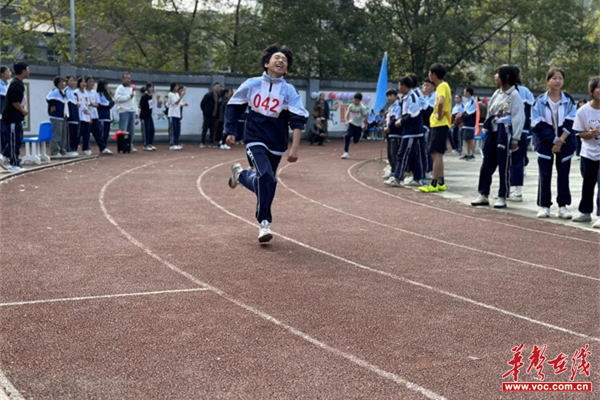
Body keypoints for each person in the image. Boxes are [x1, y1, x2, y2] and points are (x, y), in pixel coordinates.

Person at [224, 44, 308, 243]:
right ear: (266, 63)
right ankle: (264, 223)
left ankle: (241, 174)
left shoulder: (289, 91)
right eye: (277, 58)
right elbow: (233, 107)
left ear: (286, 70)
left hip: (277, 143)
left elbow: (298, 120)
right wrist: (229, 131)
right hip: (254, 138)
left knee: (267, 181)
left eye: (284, 61)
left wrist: (294, 147)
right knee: (266, 176)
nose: (280, 61)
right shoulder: (252, 84)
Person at [471, 65, 525, 208]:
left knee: (504, 165)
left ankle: (502, 195)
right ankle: (483, 194)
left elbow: (518, 118)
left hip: (505, 132)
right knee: (487, 163)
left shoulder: (514, 96)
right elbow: (490, 113)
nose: (495, 77)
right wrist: (485, 130)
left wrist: (515, 138)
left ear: (506, 77)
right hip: (493, 132)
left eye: (497, 74)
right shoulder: (497, 93)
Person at [530, 68, 577, 219]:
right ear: (547, 81)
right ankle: (544, 205)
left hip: (566, 141)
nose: (557, 81)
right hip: (545, 142)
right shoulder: (539, 101)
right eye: (554, 78)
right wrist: (554, 140)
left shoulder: (569, 100)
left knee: (563, 175)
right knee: (545, 174)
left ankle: (563, 206)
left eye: (560, 78)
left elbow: (571, 122)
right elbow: (536, 125)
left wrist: (561, 140)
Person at [384, 76, 424, 187]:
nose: (399, 88)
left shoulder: (412, 97)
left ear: (404, 86)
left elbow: (414, 115)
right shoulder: (406, 98)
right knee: (413, 155)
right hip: (408, 131)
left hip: (412, 132)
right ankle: (417, 178)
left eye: (399, 86)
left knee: (402, 154)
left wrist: (400, 122)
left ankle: (398, 177)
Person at [572, 76, 600, 228]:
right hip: (588, 153)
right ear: (591, 91)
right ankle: (585, 212)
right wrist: (590, 134)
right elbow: (579, 133)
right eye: (598, 87)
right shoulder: (583, 111)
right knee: (588, 183)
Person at [419, 63, 452, 193]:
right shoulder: (444, 86)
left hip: (439, 124)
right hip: (441, 124)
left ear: (433, 74)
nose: (429, 76)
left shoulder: (442, 86)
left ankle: (433, 183)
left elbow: (441, 101)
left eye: (429, 73)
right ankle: (441, 181)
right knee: (438, 153)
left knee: (435, 154)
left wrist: (438, 114)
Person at [508, 68, 535, 202]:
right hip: (515, 130)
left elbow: (527, 112)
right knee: (510, 161)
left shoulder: (522, 91)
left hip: (519, 131)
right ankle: (507, 188)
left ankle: (517, 191)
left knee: (517, 160)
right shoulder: (506, 91)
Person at [0, 62, 29, 173]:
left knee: (17, 139)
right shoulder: (16, 84)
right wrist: (22, 111)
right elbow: (14, 101)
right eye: (27, 69)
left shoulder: (18, 83)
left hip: (16, 117)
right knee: (13, 140)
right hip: (12, 117)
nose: (28, 71)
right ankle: (13, 164)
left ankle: (4, 157)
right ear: (23, 71)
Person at [85, 76, 110, 155]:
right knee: (86, 133)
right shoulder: (84, 92)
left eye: (93, 82)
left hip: (94, 115)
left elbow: (98, 104)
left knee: (98, 133)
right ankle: (86, 148)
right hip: (86, 116)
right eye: (90, 81)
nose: (92, 83)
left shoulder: (94, 93)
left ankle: (103, 148)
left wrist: (93, 104)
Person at [341, 93, 368, 159]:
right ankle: (346, 153)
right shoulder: (351, 106)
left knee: (355, 141)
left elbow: (365, 117)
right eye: (355, 100)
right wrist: (346, 121)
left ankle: (357, 136)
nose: (356, 101)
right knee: (347, 136)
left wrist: (366, 125)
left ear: (360, 100)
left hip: (358, 126)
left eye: (357, 100)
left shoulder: (362, 107)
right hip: (351, 124)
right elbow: (346, 115)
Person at [114, 73, 137, 152]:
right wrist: (128, 97)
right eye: (126, 78)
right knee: (123, 130)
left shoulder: (131, 88)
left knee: (131, 130)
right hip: (124, 110)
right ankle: (122, 146)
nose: (127, 80)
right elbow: (117, 99)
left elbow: (134, 101)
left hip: (131, 110)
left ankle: (130, 145)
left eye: (129, 78)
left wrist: (136, 111)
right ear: (122, 79)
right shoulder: (120, 88)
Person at [47, 76, 68, 157]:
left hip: (62, 116)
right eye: (63, 82)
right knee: (56, 134)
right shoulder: (55, 91)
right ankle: (55, 151)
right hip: (56, 117)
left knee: (63, 135)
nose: (64, 83)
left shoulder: (62, 92)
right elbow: (48, 98)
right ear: (59, 83)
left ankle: (62, 150)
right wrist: (52, 105)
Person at [382, 88, 401, 179]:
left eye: (391, 96)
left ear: (396, 96)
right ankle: (393, 171)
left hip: (395, 133)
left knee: (394, 153)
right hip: (389, 133)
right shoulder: (390, 107)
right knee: (390, 154)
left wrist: (389, 127)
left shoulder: (398, 106)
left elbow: (395, 119)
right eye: (387, 96)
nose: (388, 98)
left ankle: (398, 173)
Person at [458, 87, 478, 161]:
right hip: (465, 122)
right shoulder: (468, 101)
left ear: (468, 92)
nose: (463, 93)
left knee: (471, 139)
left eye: (464, 91)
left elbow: (470, 112)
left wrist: (461, 115)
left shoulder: (473, 101)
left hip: (470, 123)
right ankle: (468, 154)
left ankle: (472, 155)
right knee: (467, 139)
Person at [200, 82, 222, 148]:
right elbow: (202, 104)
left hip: (214, 115)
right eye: (216, 86)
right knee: (205, 128)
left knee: (212, 129)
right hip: (208, 115)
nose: (218, 88)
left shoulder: (218, 96)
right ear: (213, 87)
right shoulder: (208, 95)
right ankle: (202, 142)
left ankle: (211, 142)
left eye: (219, 87)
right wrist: (206, 112)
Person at [167, 82, 187, 150]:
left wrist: (184, 104)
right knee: (173, 129)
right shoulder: (170, 94)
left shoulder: (176, 94)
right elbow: (175, 102)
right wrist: (181, 96)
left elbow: (179, 103)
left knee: (177, 130)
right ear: (173, 87)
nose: (177, 88)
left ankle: (176, 143)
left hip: (177, 114)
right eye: (176, 86)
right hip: (172, 114)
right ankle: (172, 144)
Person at [97, 79, 115, 149]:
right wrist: (111, 102)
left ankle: (105, 145)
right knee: (103, 133)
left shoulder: (106, 94)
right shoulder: (99, 94)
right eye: (105, 85)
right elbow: (107, 104)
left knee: (106, 133)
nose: (107, 86)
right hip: (102, 116)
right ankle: (103, 147)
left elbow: (112, 103)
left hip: (108, 116)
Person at [65, 76, 80, 157]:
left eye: (74, 81)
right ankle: (69, 149)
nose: (73, 82)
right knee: (70, 133)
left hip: (75, 115)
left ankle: (73, 149)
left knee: (75, 132)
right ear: (67, 82)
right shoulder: (66, 91)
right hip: (70, 115)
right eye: (71, 80)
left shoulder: (74, 92)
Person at [139, 83, 156, 151]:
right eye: (151, 87)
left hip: (149, 115)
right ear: (147, 88)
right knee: (146, 130)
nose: (152, 89)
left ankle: (150, 144)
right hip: (144, 115)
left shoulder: (150, 96)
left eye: (152, 87)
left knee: (151, 130)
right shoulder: (144, 96)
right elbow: (140, 106)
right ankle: (145, 144)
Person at [0, 65, 11, 160]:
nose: (10, 73)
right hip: (1, 116)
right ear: (2, 74)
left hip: (7, 116)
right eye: (8, 71)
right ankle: (3, 156)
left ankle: (5, 156)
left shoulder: (8, 84)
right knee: (3, 136)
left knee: (7, 135)